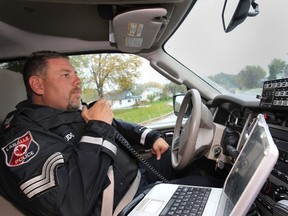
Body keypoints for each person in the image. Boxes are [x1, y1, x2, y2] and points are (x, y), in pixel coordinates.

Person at [0, 51, 219, 216]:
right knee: (211, 191)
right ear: (38, 85)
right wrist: (97, 127)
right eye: (66, 75)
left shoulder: (70, 112)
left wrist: (151, 137)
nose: (78, 80)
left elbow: (116, 124)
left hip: (137, 176)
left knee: (186, 157)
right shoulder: (22, 140)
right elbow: (69, 204)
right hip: (124, 206)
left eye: (76, 74)